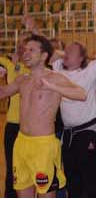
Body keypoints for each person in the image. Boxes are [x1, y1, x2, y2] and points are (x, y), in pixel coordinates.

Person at [0, 34, 87, 198]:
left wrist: (53, 87)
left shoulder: (54, 77)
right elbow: (2, 92)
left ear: (44, 56)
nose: (25, 53)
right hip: (21, 144)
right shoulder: (22, 80)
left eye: (31, 50)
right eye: (25, 50)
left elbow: (82, 94)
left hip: (43, 146)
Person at [52, 42, 96, 198]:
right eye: (65, 50)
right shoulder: (58, 70)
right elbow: (50, 51)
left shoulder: (92, 69)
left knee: (89, 183)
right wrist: (66, 54)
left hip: (87, 132)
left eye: (71, 51)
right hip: (68, 135)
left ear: (82, 57)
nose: (66, 53)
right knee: (72, 181)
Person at [0, 40, 29, 197]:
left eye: (25, 44)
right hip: (12, 126)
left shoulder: (35, 68)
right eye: (19, 44)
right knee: (12, 168)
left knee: (30, 169)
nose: (21, 47)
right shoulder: (8, 64)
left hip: (31, 128)